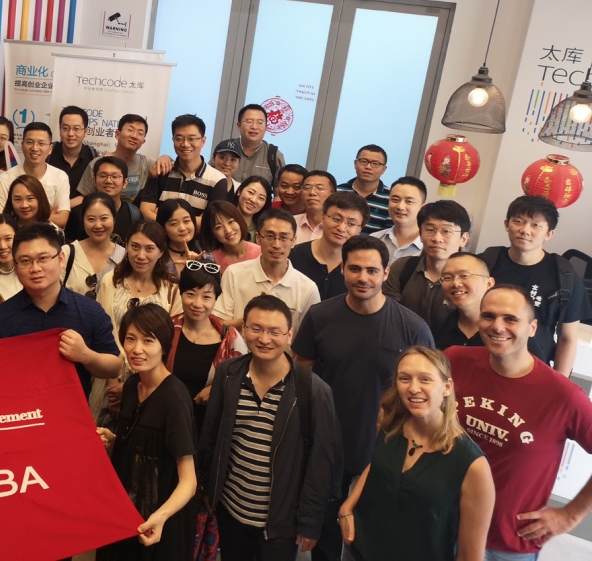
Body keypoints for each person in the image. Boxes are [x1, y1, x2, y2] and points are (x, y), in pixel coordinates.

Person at [291, 236, 434, 561]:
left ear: (386, 273)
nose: (363, 277)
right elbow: (302, 381)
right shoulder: (319, 316)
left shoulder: (413, 328)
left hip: (387, 452)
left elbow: (428, 399)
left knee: (374, 539)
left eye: (372, 270)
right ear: (342, 269)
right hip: (327, 447)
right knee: (326, 539)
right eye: (354, 268)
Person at [447, 284, 592, 559]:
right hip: (441, 522)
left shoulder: (563, 396)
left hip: (505, 542)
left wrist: (570, 516)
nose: (497, 326)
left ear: (532, 328)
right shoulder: (454, 360)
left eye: (511, 318)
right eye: (488, 316)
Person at [198, 295, 341, 561]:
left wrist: (310, 521)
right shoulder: (228, 373)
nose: (264, 339)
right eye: (256, 329)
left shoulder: (313, 390)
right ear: (244, 330)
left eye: (275, 332)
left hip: (280, 523)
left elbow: (321, 463)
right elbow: (211, 433)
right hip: (231, 510)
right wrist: (208, 486)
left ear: (290, 336)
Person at [339, 347, 494, 561]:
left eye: (425, 379)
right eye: (404, 378)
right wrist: (347, 506)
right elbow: (378, 465)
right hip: (360, 551)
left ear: (447, 387)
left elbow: (470, 556)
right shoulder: (389, 422)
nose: (413, 388)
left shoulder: (472, 464)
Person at [96, 305, 197, 561]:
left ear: (164, 346)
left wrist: (161, 516)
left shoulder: (175, 399)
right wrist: (114, 439)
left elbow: (189, 481)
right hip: (124, 511)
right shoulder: (132, 385)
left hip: (157, 516)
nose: (136, 349)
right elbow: (145, 446)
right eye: (130, 339)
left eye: (148, 341)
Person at [0, 222, 122, 396]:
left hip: (72, 410)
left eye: (43, 258)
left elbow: (114, 367)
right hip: (18, 410)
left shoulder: (90, 311)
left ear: (61, 259)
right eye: (25, 261)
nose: (35, 268)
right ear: (15, 266)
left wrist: (86, 355)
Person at [478, 195, 592, 377]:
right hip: (480, 362)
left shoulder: (565, 276)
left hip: (533, 370)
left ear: (549, 234)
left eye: (536, 225)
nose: (525, 230)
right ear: (507, 224)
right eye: (518, 221)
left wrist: (559, 384)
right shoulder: (485, 264)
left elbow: (567, 338)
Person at [93, 222, 178, 423]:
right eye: (135, 246)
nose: (141, 255)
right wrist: (113, 381)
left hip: (150, 381)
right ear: (126, 247)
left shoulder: (171, 288)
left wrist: (132, 385)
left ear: (161, 252)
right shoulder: (110, 281)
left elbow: (170, 342)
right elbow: (100, 331)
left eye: (149, 249)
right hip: (108, 376)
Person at [166, 261, 244, 434]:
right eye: (191, 294)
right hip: (166, 419)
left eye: (206, 297)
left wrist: (216, 390)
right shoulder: (166, 330)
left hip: (209, 427)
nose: (197, 303)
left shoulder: (230, 338)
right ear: (181, 293)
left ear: (216, 298)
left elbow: (242, 383)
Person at [214, 208, 319, 331]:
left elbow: (308, 337)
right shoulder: (234, 273)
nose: (276, 245)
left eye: (284, 238)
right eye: (270, 236)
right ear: (258, 238)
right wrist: (253, 319)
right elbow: (217, 324)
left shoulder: (307, 289)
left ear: (294, 241)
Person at [384, 200, 471, 332]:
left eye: (446, 231)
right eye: (430, 230)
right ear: (420, 234)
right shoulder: (402, 267)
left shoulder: (472, 279)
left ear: (463, 239)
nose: (437, 238)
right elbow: (390, 316)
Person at [139, 114, 226, 220]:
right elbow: (145, 212)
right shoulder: (161, 171)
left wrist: (168, 220)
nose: (185, 144)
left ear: (203, 141)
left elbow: (210, 221)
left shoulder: (217, 180)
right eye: (179, 139)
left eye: (192, 139)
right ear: (173, 140)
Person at [289, 191, 368, 300]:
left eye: (351, 224)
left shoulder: (362, 269)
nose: (341, 228)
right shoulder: (293, 256)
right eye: (336, 219)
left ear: (360, 229)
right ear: (323, 217)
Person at [0, 121, 71, 228]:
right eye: (29, 142)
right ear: (22, 145)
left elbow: (61, 220)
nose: (35, 148)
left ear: (50, 148)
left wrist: (17, 216)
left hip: (49, 236)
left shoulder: (60, 177)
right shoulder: (5, 178)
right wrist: (46, 216)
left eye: (41, 143)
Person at [76, 113, 154, 204]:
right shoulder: (97, 164)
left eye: (140, 133)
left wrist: (166, 158)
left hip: (134, 212)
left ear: (143, 141)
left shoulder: (148, 164)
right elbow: (85, 197)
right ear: (117, 134)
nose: (134, 136)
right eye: (130, 130)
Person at [64, 155, 141, 244]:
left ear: (125, 182)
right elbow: (71, 247)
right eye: (103, 176)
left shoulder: (134, 214)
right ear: (94, 180)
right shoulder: (78, 213)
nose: (108, 181)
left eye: (115, 177)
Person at [62, 193, 127, 298]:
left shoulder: (125, 257)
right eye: (91, 219)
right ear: (83, 220)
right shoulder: (67, 253)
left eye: (104, 218)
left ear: (114, 219)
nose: (98, 225)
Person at [433, 253, 493, 351]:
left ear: (489, 283)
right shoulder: (437, 327)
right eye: (447, 277)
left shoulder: (502, 329)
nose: (455, 283)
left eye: (464, 276)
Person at [49, 105, 99, 204]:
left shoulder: (93, 157)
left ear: (86, 132)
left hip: (83, 213)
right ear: (60, 130)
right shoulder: (48, 153)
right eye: (65, 128)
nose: (70, 134)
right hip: (49, 211)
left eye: (76, 129)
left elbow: (95, 192)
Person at [225, 104, 285, 185]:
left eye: (260, 122)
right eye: (249, 121)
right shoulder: (226, 148)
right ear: (239, 126)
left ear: (266, 128)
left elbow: (279, 190)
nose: (254, 127)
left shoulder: (274, 155)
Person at [337, 145, 391, 234]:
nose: (368, 167)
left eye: (375, 164)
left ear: (384, 169)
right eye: (363, 161)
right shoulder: (337, 192)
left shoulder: (391, 199)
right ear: (355, 164)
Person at [371, 176, 426, 260]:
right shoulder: (374, 239)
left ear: (423, 207)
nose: (400, 207)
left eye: (409, 201)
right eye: (395, 200)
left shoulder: (430, 246)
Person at [200, 201, 261, 275]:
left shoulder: (261, 253)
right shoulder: (210, 261)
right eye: (219, 227)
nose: (228, 230)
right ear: (212, 233)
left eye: (231, 222)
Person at [156, 198, 210, 279]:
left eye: (186, 221)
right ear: (163, 228)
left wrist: (198, 265)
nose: (182, 228)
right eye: (174, 224)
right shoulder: (156, 257)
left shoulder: (206, 255)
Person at [294, 170, 336, 245]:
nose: (312, 192)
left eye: (320, 188)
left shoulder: (339, 229)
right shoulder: (289, 223)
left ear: (333, 195)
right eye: (307, 188)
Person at [235, 175, 272, 240]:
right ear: (239, 191)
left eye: (261, 198)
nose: (254, 200)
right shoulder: (222, 219)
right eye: (251, 192)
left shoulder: (261, 232)